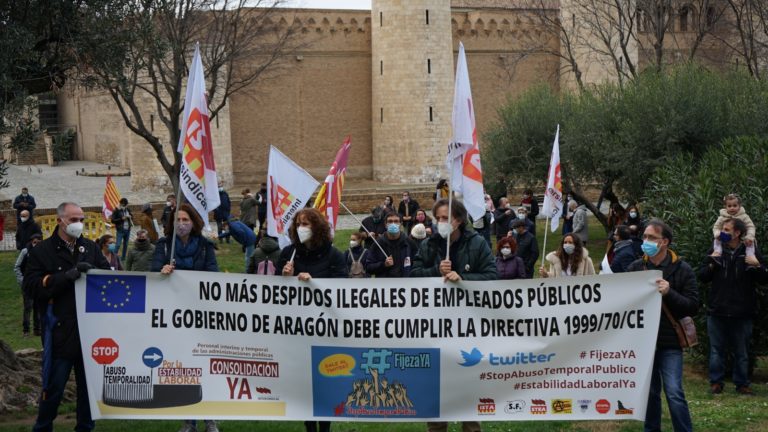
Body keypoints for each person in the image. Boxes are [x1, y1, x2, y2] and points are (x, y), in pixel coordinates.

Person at [23, 202, 111, 432]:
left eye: (81, 219)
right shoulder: (42, 251)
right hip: (59, 331)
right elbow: (32, 286)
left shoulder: (90, 248)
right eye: (73, 220)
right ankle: (43, 427)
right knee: (53, 388)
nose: (78, 224)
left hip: (89, 333)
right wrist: (67, 277)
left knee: (87, 389)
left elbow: (110, 279)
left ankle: (85, 427)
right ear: (60, 220)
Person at [411, 199, 495, 432]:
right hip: (436, 326)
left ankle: (471, 427)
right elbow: (413, 275)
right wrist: (434, 272)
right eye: (437, 218)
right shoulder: (429, 245)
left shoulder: (477, 244)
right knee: (436, 384)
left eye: (445, 218)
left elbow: (492, 276)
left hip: (469, 326)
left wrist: (464, 279)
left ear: (458, 220)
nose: (440, 223)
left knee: (469, 382)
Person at [276, 207, 346, 432]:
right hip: (297, 330)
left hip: (325, 331)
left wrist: (314, 282)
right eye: (298, 224)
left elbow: (342, 289)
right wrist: (285, 278)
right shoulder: (288, 253)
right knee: (304, 382)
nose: (301, 228)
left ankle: (325, 427)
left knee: (325, 382)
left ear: (317, 228)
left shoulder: (333, 255)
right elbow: (273, 293)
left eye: (306, 224)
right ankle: (309, 426)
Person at [151, 203, 219, 432]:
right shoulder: (163, 246)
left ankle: (210, 418)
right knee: (184, 368)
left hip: (202, 314)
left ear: (194, 222)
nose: (181, 224)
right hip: (175, 315)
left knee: (204, 366)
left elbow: (213, 275)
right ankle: (189, 420)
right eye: (177, 220)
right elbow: (152, 272)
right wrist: (163, 272)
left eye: (185, 220)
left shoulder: (205, 246)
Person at [627, 219, 698, 432]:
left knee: (674, 391)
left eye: (651, 237)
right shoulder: (635, 267)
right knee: (649, 393)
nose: (645, 241)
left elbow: (692, 306)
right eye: (645, 237)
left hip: (670, 343)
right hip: (643, 344)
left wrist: (670, 293)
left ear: (665, 241)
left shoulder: (682, 269)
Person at [699, 218, 768, 395]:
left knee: (742, 351)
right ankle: (716, 383)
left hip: (742, 312)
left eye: (727, 229)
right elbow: (702, 276)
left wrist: (757, 265)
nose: (722, 232)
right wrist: (711, 263)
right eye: (722, 229)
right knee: (716, 351)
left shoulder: (749, 251)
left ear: (737, 233)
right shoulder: (716, 250)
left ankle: (742, 384)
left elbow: (764, 279)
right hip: (717, 310)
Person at [364, 212, 417, 278]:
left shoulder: (409, 242)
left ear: (401, 224)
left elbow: (416, 265)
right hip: (385, 285)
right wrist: (383, 265)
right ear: (385, 224)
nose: (393, 224)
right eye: (390, 221)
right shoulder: (378, 244)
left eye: (396, 221)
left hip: (405, 284)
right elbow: (368, 267)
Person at [14, 233, 43, 337]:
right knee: (28, 307)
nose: (36, 244)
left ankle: (37, 330)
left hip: (38, 284)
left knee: (38, 307)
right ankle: (26, 330)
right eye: (35, 242)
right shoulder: (25, 251)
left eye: (39, 242)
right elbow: (17, 267)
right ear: (31, 242)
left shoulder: (43, 252)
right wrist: (22, 281)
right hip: (27, 285)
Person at [712, 193, 756, 258]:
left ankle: (750, 255)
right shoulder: (722, 217)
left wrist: (749, 236)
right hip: (725, 237)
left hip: (743, 237)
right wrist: (717, 234)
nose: (732, 208)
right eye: (729, 206)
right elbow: (716, 227)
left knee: (751, 243)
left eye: (735, 206)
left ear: (739, 206)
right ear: (725, 207)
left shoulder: (744, 216)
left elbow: (750, 227)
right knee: (716, 240)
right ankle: (717, 252)